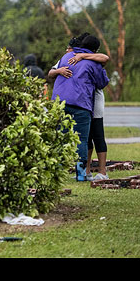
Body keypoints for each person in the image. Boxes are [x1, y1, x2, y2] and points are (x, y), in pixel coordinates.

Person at [50, 34, 109, 181]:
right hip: (81, 104)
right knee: (82, 139)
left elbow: (52, 72)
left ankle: (57, 174)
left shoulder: (66, 56)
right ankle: (82, 174)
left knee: (60, 137)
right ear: (95, 50)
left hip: (59, 102)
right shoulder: (94, 63)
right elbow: (102, 83)